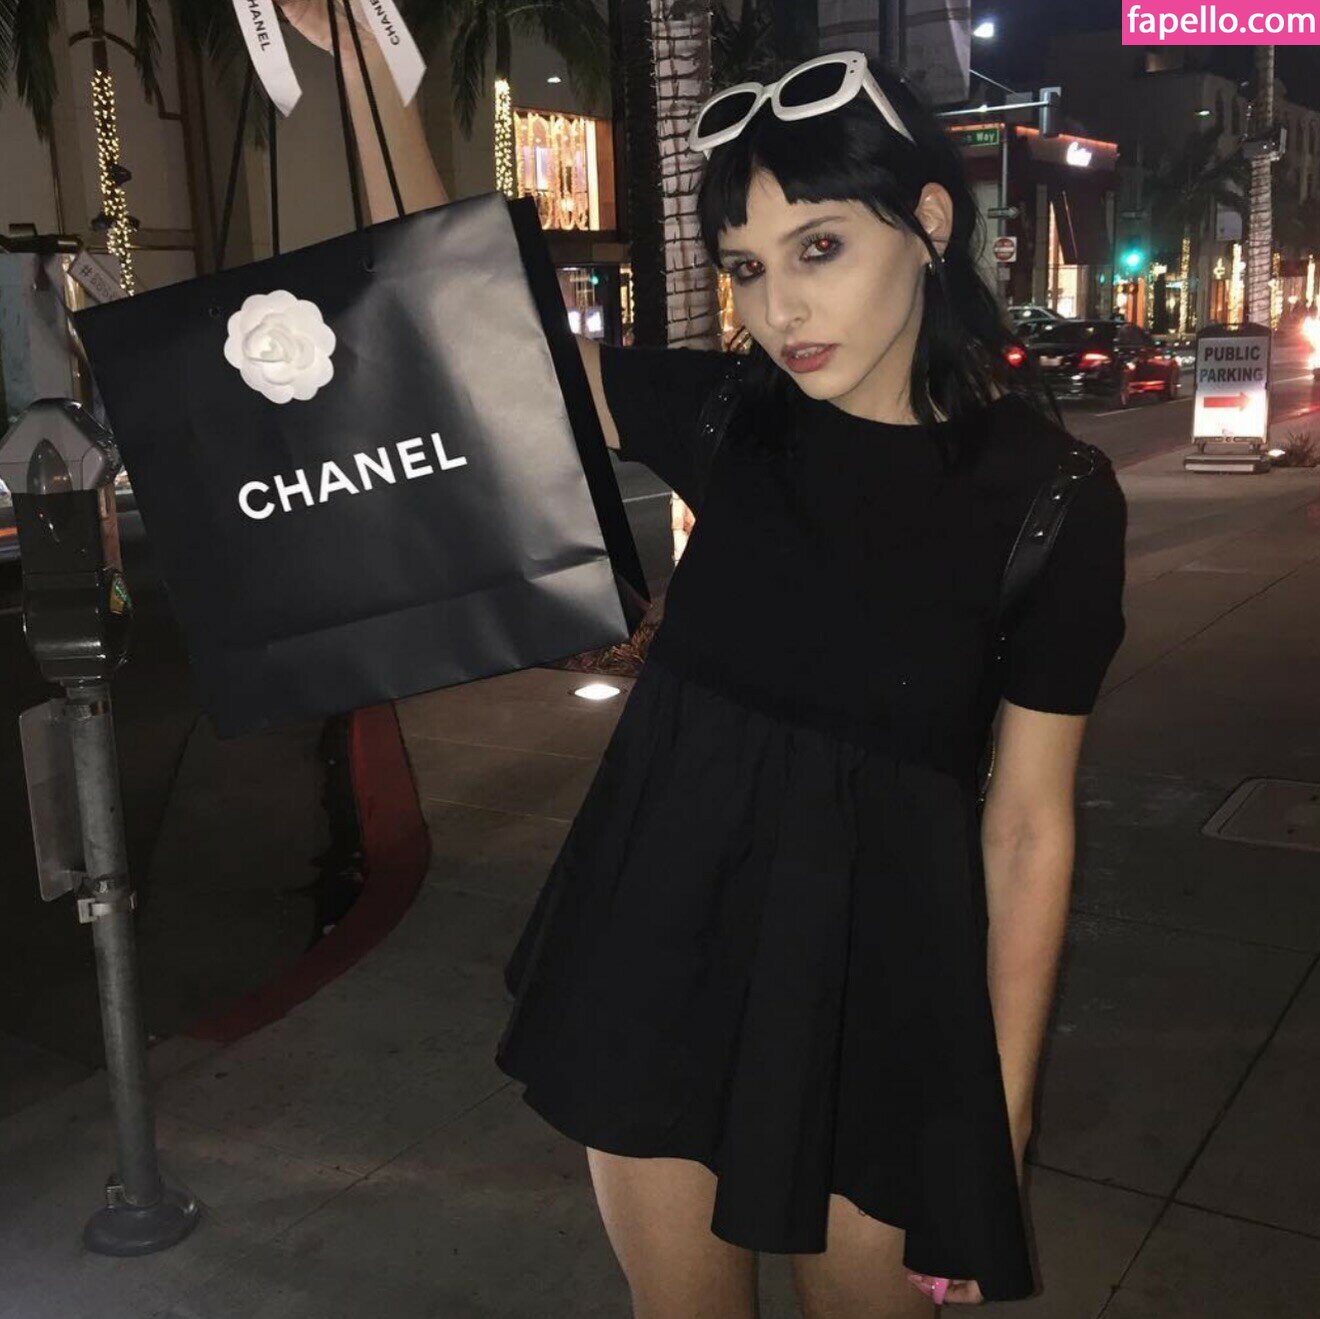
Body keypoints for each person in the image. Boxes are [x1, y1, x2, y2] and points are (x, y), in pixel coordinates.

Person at [276, 6, 1127, 1315]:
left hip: (877, 992)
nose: (780, 307)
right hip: (658, 940)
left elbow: (1025, 831)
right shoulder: (736, 420)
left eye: (820, 247)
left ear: (929, 223)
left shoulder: (1053, 499)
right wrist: (362, 69)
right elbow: (468, 321)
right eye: (746, 267)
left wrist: (993, 1132)